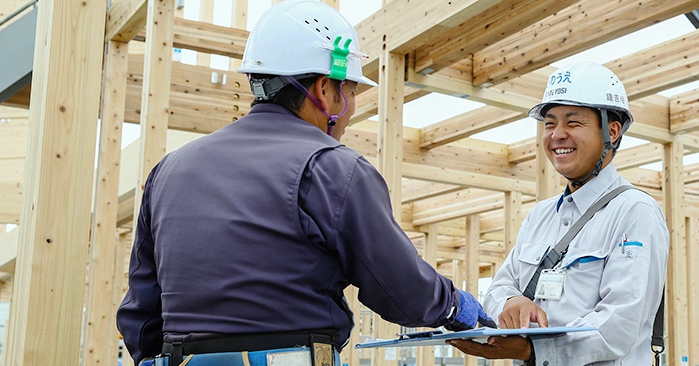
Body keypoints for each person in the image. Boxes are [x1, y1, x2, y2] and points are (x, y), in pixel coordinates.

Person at [116, 1, 493, 365]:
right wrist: (454, 304)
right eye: (350, 90)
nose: (351, 105)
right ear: (324, 90)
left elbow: (141, 314)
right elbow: (404, 292)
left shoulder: (168, 170)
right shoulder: (332, 168)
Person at [449, 61, 669, 365]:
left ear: (612, 132)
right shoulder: (540, 216)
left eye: (573, 122)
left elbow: (621, 323)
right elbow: (499, 288)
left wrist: (534, 351)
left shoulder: (634, 212)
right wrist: (513, 302)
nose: (557, 135)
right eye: (549, 123)